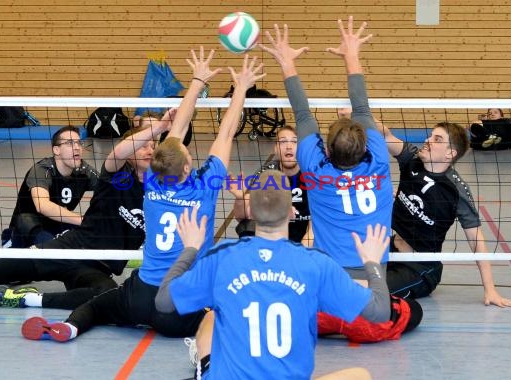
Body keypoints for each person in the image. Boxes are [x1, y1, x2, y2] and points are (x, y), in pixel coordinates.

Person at [19, 48, 267, 341]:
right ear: (188, 167)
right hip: (176, 308)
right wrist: (240, 89)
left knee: (98, 306)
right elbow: (225, 134)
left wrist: (197, 81)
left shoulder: (153, 182)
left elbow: (178, 127)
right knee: (220, 315)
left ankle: (71, 327)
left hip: (140, 296)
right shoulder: (204, 188)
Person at [260, 18, 422, 343]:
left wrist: (287, 61)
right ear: (365, 145)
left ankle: (323, 319)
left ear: (326, 150)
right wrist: (351, 53)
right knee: (413, 312)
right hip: (365, 300)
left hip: (325, 292)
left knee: (301, 307)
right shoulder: (377, 159)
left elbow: (303, 114)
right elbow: (361, 105)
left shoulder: (315, 169)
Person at [155, 170, 389, 380]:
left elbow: (163, 301)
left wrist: (190, 249)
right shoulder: (316, 264)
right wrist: (372, 262)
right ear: (291, 211)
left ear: (251, 212)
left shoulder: (221, 257)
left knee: (211, 318)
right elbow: (379, 312)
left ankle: (204, 370)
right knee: (361, 375)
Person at [0, 108, 177, 309]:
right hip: (68, 248)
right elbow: (118, 153)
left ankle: (28, 299)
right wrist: (160, 126)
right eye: (143, 146)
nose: (150, 150)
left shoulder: (159, 190)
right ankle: (18, 252)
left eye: (153, 146)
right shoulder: (117, 177)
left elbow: (175, 151)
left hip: (99, 266)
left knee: (107, 295)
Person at [375, 117, 511, 307]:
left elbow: (476, 239)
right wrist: (356, 111)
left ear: (450, 153)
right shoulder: (411, 159)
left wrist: (490, 289)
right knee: (341, 274)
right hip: (390, 250)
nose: (428, 140)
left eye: (437, 139)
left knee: (370, 292)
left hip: (421, 267)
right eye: (430, 136)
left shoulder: (455, 190)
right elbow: (386, 135)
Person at [0, 126, 98, 286]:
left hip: (57, 232)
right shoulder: (42, 170)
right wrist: (84, 221)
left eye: (78, 143)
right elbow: (43, 206)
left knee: (95, 227)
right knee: (25, 221)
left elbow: (111, 191)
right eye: (69, 143)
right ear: (56, 150)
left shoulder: (85, 171)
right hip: (25, 234)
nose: (77, 147)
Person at [230, 125, 312, 244]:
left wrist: (302, 254)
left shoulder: (312, 175)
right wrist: (240, 198)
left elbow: (315, 225)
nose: (289, 146)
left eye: (294, 142)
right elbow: (241, 217)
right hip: (272, 234)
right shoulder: (266, 174)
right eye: (283, 142)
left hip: (303, 234)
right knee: (247, 227)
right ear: (275, 149)